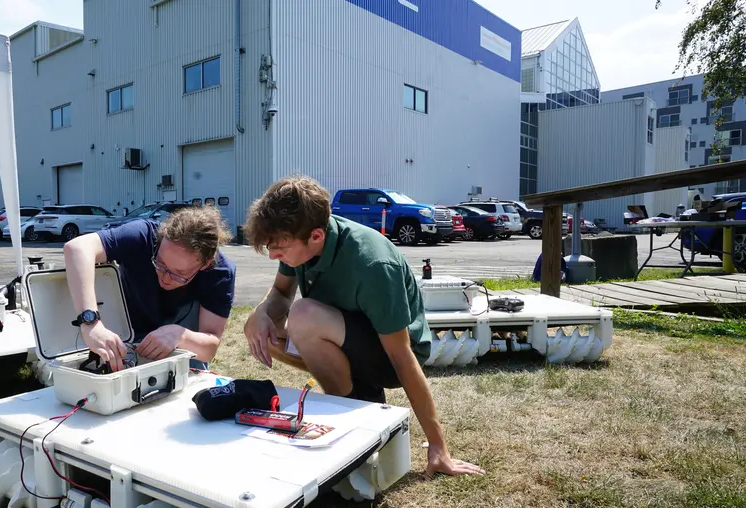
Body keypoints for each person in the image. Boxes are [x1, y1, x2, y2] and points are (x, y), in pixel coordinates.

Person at [242, 175, 485, 478]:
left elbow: (403, 358)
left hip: (391, 355)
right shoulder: (298, 234)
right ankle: (352, 398)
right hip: (345, 333)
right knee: (269, 332)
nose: (274, 255)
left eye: (279, 248)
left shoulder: (373, 264)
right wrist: (261, 312)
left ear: (316, 236)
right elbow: (280, 293)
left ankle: (351, 408)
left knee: (303, 315)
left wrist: (438, 446)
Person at [63, 205, 236, 372]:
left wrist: (182, 336)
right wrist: (91, 324)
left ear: (205, 264)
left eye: (179, 273)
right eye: (160, 264)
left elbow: (209, 350)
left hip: (183, 357)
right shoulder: (141, 236)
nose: (165, 278)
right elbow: (77, 248)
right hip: (126, 345)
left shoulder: (219, 272)